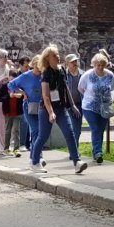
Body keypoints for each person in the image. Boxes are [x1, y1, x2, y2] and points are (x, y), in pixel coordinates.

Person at [35, 43, 88, 173]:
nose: (58, 57)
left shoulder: (61, 70)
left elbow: (66, 89)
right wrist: (51, 113)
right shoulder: (46, 73)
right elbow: (46, 96)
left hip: (61, 108)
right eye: (54, 55)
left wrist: (73, 105)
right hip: (46, 109)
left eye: (58, 54)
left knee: (69, 133)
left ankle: (77, 162)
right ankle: (34, 161)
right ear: (48, 58)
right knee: (43, 136)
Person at [78, 51, 114, 163]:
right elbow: (80, 88)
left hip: (104, 107)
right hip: (89, 107)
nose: (100, 67)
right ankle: (98, 152)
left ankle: (96, 151)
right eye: (97, 65)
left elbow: (112, 88)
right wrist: (89, 95)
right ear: (94, 64)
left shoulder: (110, 75)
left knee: (100, 130)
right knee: (95, 128)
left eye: (102, 65)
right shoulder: (88, 75)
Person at [8, 56, 44, 164]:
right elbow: (11, 84)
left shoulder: (44, 75)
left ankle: (33, 156)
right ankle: (39, 156)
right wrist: (22, 92)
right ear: (34, 64)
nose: (40, 67)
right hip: (29, 106)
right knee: (36, 130)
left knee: (39, 132)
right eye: (38, 64)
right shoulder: (26, 76)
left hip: (42, 106)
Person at [3, 71, 24, 155]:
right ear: (8, 78)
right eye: (11, 79)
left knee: (16, 130)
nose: (12, 81)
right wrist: (9, 96)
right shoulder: (4, 86)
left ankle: (16, 149)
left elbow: (24, 95)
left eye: (14, 79)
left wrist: (21, 96)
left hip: (17, 111)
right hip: (8, 112)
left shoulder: (19, 87)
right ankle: (6, 148)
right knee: (8, 130)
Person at [65, 53, 84, 146]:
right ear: (67, 63)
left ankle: (74, 147)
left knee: (77, 128)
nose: (75, 63)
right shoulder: (64, 75)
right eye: (72, 62)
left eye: (76, 61)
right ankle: (74, 150)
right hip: (68, 105)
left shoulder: (83, 74)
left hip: (80, 104)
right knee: (71, 128)